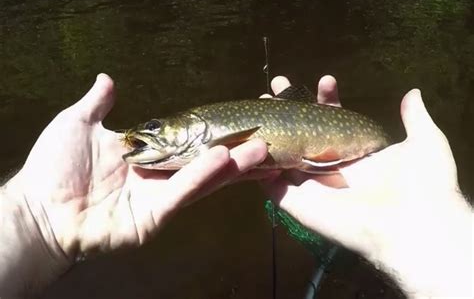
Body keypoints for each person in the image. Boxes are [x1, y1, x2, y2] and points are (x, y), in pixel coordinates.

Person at [0, 74, 471, 298]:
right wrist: (35, 220)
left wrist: (35, 222)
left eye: (158, 129)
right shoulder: (199, 132)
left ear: (193, 126)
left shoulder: (209, 129)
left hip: (353, 142)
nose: (147, 138)